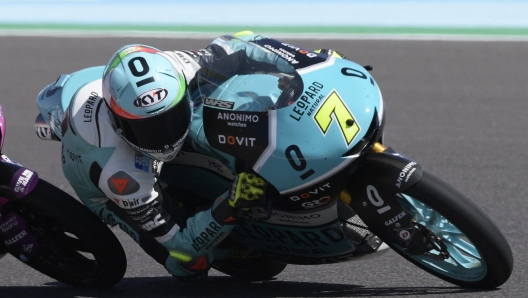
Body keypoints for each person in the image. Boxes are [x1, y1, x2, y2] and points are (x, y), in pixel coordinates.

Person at [35, 31, 348, 282]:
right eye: (150, 130)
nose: (166, 135)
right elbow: (182, 249)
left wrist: (305, 61)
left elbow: (241, 45)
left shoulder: (175, 67)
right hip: (113, 191)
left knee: (225, 103)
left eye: (171, 118)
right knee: (191, 267)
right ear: (119, 122)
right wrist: (230, 205)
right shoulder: (119, 174)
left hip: (106, 98)